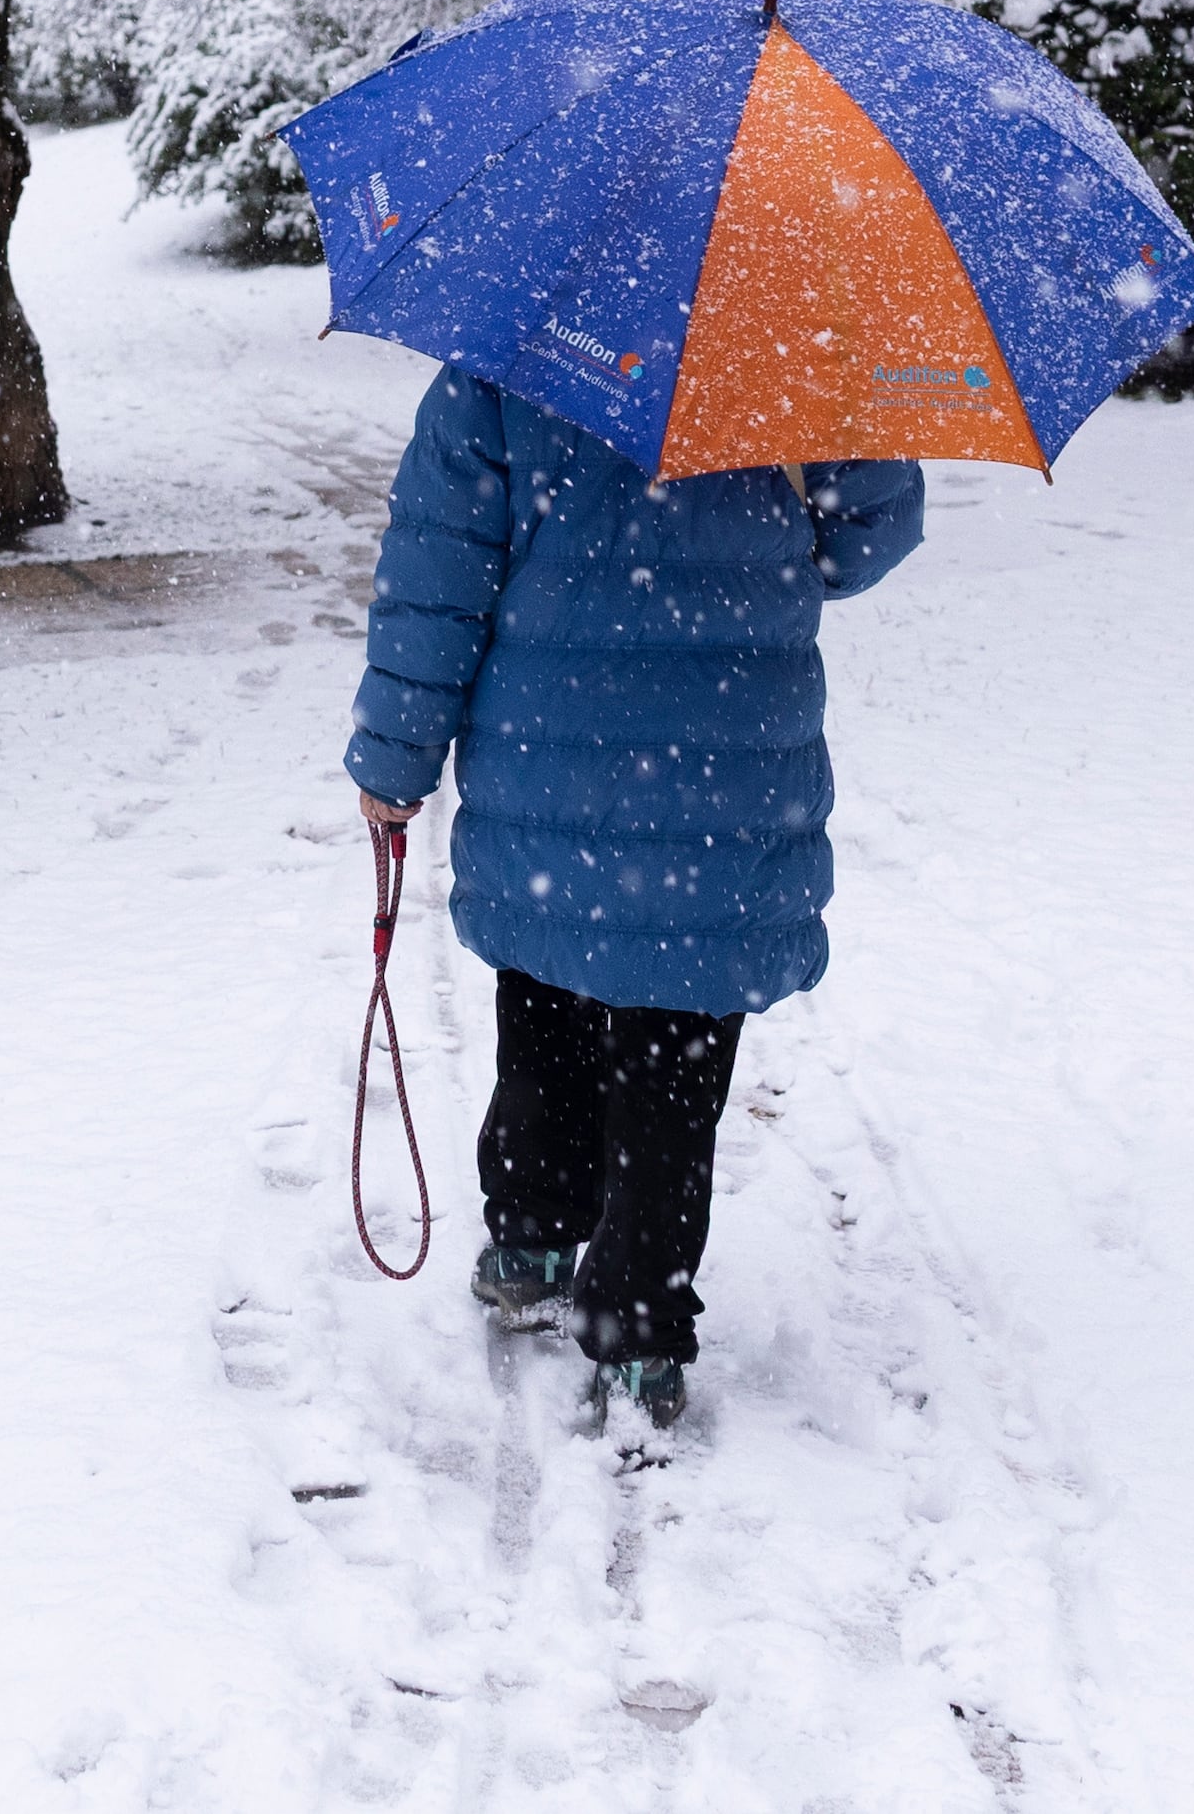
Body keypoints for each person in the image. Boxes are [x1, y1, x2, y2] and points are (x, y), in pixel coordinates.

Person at [341, 365, 929, 1433]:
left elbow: (437, 578)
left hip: (548, 759)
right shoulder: (797, 350)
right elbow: (861, 544)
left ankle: (527, 1231)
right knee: (675, 1060)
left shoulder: (507, 354)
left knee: (547, 1002)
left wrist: (394, 757)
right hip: (723, 766)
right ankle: (637, 1327)